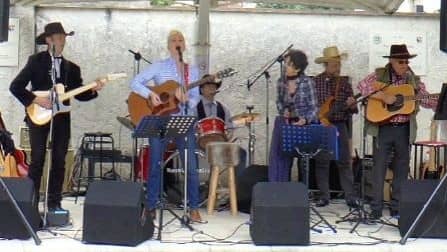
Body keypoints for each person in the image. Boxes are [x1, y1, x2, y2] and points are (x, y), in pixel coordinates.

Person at [9, 22, 105, 213]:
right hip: (38, 116)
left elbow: (79, 94)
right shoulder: (35, 61)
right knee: (37, 158)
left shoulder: (72, 68)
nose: (62, 41)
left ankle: (54, 203)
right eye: (59, 37)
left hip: (61, 119)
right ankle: (31, 202)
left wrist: (93, 90)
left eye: (64, 38)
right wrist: (36, 99)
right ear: (48, 40)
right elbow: (16, 86)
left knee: (59, 159)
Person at [130, 30, 203, 223]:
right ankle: (152, 205)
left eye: (181, 39)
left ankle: (194, 207)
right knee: (155, 164)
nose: (177, 43)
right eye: (173, 40)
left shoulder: (192, 71)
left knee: (191, 166)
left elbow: (196, 96)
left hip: (184, 120)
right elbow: (135, 82)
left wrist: (188, 100)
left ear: (184, 45)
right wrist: (150, 95)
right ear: (168, 45)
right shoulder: (159, 66)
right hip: (160, 120)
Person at [357, 44, 437, 219]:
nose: (404, 64)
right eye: (400, 61)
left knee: (401, 169)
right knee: (379, 169)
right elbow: (362, 86)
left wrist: (438, 101)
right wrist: (384, 96)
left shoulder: (413, 81)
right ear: (392, 61)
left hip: (404, 130)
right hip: (383, 129)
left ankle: (396, 207)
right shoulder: (380, 75)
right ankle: (376, 209)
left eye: (407, 61)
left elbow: (426, 100)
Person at [313, 46, 358, 207]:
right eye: (333, 65)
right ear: (326, 64)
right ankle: (324, 196)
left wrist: (351, 104)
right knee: (322, 162)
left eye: (338, 64)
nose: (337, 67)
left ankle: (350, 197)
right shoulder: (316, 82)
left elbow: (353, 110)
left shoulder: (345, 83)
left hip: (340, 125)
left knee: (345, 161)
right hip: (323, 125)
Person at [269, 49, 319, 183]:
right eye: (285, 63)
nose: (285, 66)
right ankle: (279, 189)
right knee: (280, 158)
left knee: (303, 161)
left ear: (297, 68)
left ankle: (302, 192)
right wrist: (282, 111)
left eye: (289, 64)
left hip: (303, 125)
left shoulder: (307, 82)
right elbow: (279, 101)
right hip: (285, 123)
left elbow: (314, 107)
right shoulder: (281, 81)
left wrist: (306, 119)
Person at [194, 75, 247, 172]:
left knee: (241, 152)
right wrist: (196, 131)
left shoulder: (223, 108)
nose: (212, 88)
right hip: (200, 144)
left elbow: (230, 128)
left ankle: (237, 185)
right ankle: (196, 184)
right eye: (208, 85)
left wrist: (229, 134)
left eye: (214, 86)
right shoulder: (194, 108)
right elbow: (189, 128)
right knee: (189, 151)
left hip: (219, 144)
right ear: (201, 90)